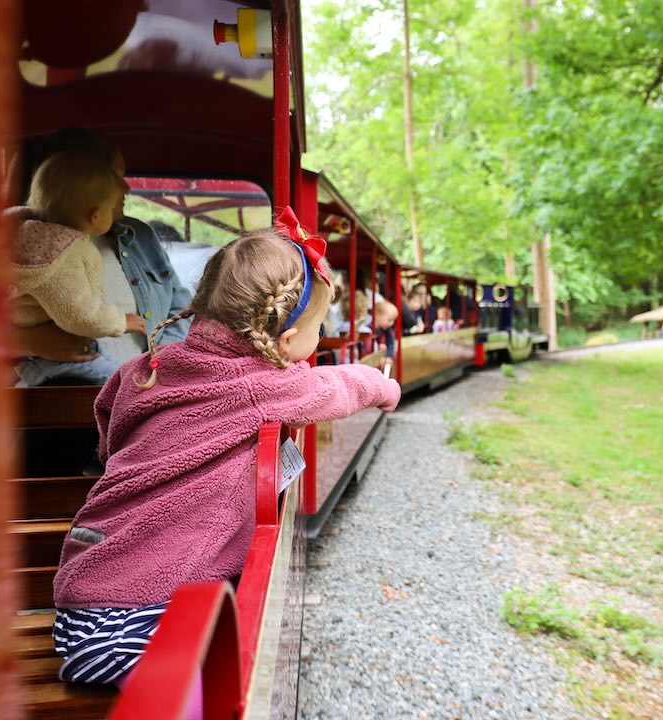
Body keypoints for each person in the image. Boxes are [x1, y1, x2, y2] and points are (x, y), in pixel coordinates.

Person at [51, 212, 401, 703]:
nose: (319, 339)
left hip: (81, 587)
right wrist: (383, 386)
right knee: (182, 691)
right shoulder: (264, 385)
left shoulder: (145, 367)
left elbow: (107, 424)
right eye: (318, 329)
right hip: (139, 611)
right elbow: (338, 387)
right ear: (286, 342)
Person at [12, 128, 193, 380]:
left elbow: (181, 306)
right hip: (66, 390)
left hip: (142, 389)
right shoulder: (25, 248)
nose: (126, 187)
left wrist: (160, 366)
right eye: (115, 176)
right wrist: (26, 342)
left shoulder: (140, 237)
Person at [11, 151, 148, 386]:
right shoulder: (62, 255)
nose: (126, 188)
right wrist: (121, 321)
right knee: (125, 389)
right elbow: (80, 314)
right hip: (54, 360)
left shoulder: (27, 236)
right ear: (94, 215)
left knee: (126, 383)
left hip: (71, 353)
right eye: (118, 176)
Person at [373, 300, 399, 375]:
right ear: (377, 316)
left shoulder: (388, 331)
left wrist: (389, 356)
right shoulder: (369, 330)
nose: (391, 323)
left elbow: (391, 344)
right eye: (389, 320)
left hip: (383, 360)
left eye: (393, 321)